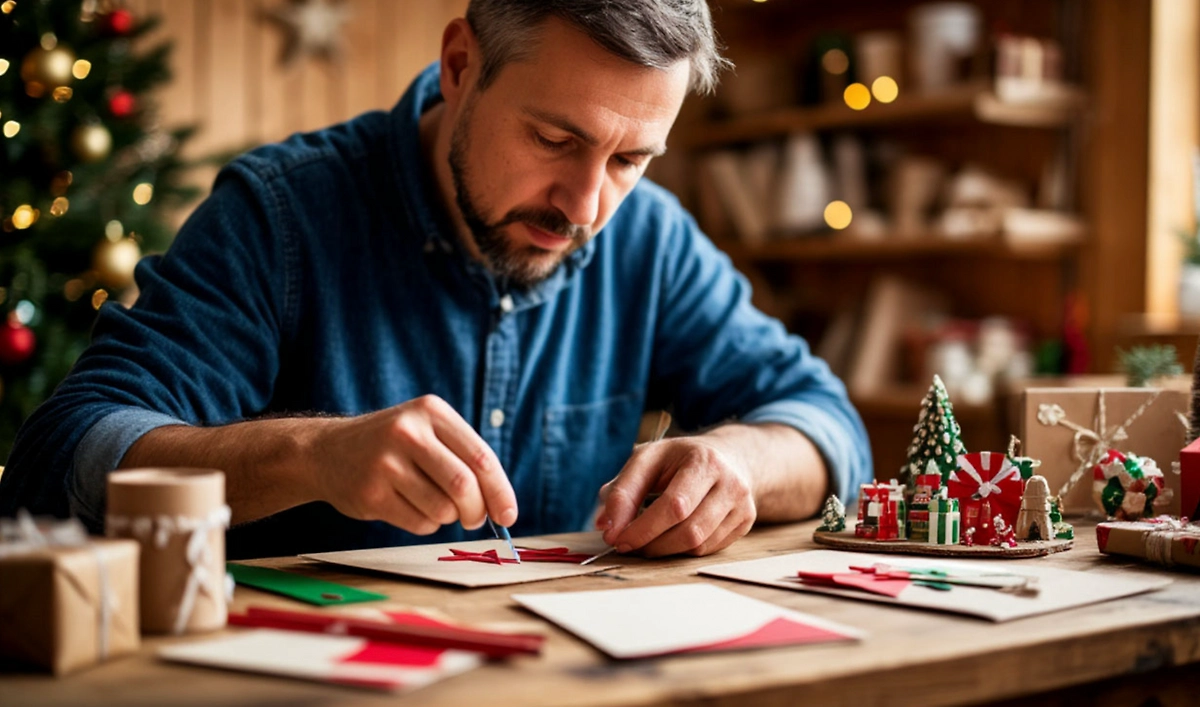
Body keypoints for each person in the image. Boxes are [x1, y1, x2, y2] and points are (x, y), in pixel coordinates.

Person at [0, 0, 871, 559]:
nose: (585, 207)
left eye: (630, 159)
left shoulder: (650, 239)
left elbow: (828, 426)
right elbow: (61, 459)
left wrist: (739, 462)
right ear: (461, 65)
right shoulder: (281, 215)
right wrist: (312, 456)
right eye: (555, 140)